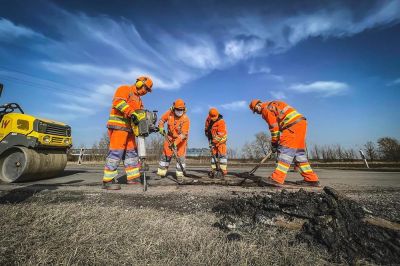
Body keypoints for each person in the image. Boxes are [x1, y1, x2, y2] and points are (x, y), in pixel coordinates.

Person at [249, 99, 319, 187]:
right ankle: (311, 179)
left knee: (285, 152)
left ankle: (277, 178)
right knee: (299, 155)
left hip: (292, 127)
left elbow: (274, 127)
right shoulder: (273, 104)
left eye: (256, 110)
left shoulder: (265, 109)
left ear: (258, 105)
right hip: (300, 124)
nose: (257, 113)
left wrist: (274, 142)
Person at [103, 76, 153, 190]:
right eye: (145, 88)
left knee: (131, 154)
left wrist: (148, 125)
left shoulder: (140, 101)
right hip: (118, 126)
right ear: (139, 83)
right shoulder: (125, 89)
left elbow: (141, 116)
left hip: (130, 130)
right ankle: (108, 180)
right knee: (116, 153)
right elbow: (118, 102)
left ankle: (133, 178)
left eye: (147, 91)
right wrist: (131, 112)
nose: (145, 92)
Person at [157, 99, 190, 180]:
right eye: (177, 109)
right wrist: (160, 127)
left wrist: (175, 143)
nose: (179, 111)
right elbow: (161, 120)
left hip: (181, 140)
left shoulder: (186, 119)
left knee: (180, 156)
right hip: (170, 137)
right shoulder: (169, 113)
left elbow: (183, 134)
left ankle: (179, 174)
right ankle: (162, 172)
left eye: (181, 109)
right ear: (174, 108)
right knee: (166, 155)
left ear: (184, 109)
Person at [205, 108, 228, 177]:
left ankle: (223, 170)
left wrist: (213, 142)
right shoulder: (208, 119)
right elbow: (206, 127)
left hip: (221, 141)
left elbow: (220, 134)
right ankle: (214, 169)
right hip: (213, 140)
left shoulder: (221, 122)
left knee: (222, 155)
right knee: (213, 155)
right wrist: (206, 133)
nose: (213, 119)